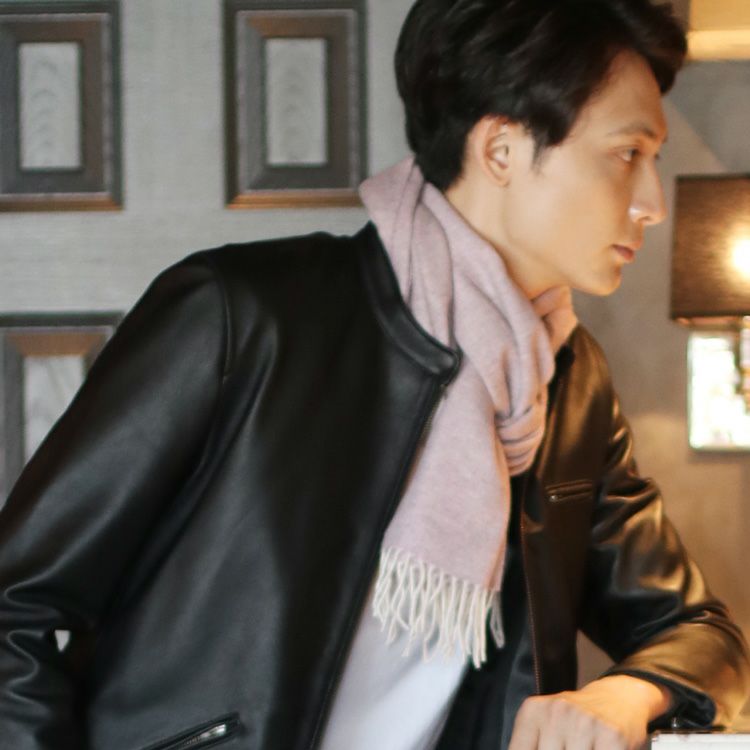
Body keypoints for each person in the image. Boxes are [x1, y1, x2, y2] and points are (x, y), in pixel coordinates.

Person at [1, 0, 749, 748]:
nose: (652, 203)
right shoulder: (242, 316)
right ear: (501, 149)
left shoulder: (568, 380)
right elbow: (16, 607)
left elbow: (699, 632)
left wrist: (625, 693)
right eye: (627, 153)